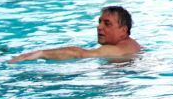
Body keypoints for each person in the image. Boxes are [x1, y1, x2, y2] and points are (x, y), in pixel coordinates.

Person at [10, 6, 142, 61]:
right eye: (99, 22)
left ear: (123, 30)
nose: (99, 27)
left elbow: (79, 53)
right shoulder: (133, 46)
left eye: (107, 24)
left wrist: (41, 53)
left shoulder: (114, 50)